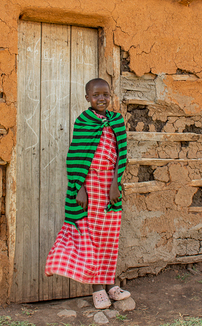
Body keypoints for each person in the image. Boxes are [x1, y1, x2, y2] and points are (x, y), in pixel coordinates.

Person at [45, 77, 131, 309]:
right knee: (91, 236)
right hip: (90, 185)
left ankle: (111, 285)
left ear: (110, 95)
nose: (101, 99)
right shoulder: (83, 121)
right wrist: (80, 187)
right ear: (87, 98)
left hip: (111, 186)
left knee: (109, 237)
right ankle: (97, 289)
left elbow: (122, 154)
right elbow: (75, 155)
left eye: (105, 94)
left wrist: (115, 184)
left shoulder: (117, 121)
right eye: (96, 95)